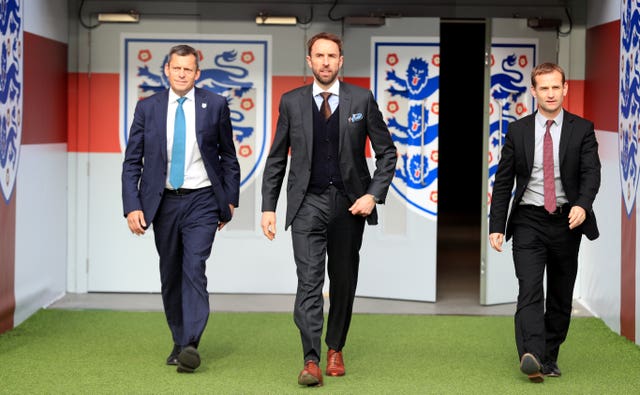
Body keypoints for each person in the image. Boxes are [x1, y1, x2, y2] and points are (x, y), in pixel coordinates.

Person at [261, 32, 397, 387]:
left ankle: (335, 346)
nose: (324, 61)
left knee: (343, 280)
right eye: (318, 55)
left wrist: (372, 195)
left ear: (340, 62)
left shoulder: (362, 100)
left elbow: (388, 154)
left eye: (331, 56)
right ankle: (310, 359)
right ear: (309, 61)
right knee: (309, 281)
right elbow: (277, 159)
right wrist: (268, 207)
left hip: (350, 205)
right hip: (307, 203)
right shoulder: (290, 102)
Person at [122, 44, 240, 373]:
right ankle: (178, 338)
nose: (182, 74)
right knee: (171, 273)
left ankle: (190, 343)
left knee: (194, 267)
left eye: (189, 69)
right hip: (163, 202)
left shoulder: (214, 105)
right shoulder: (148, 108)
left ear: (197, 73)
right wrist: (132, 205)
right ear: (167, 70)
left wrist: (229, 200)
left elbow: (229, 157)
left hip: (202, 199)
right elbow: (132, 162)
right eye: (177, 68)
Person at [489, 62, 601, 383]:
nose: (550, 93)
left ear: (565, 89)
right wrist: (497, 224)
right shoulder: (518, 130)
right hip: (528, 219)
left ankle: (549, 357)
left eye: (556, 87)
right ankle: (532, 354)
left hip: (567, 220)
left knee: (561, 293)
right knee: (530, 287)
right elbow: (503, 180)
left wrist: (582, 204)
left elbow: (591, 173)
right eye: (544, 88)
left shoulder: (583, 129)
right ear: (534, 91)